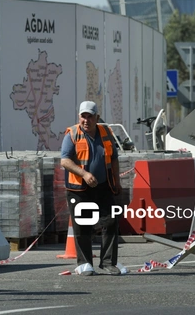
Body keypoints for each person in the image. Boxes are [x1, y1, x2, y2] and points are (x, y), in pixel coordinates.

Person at [61, 101, 123, 276]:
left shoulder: (106, 132)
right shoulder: (72, 134)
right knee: (82, 226)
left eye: (90, 116)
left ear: (97, 117)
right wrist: (84, 174)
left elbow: (115, 159)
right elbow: (65, 161)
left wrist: (117, 182)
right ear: (79, 117)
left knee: (111, 221)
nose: (86, 120)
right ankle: (85, 264)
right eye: (83, 116)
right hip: (79, 189)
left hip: (104, 186)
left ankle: (108, 262)